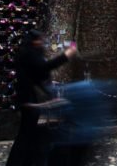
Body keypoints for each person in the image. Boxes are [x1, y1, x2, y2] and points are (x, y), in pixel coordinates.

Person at [5, 30, 77, 166]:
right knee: (28, 135)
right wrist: (66, 55)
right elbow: (44, 68)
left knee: (31, 134)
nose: (42, 42)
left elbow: (36, 74)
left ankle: (27, 161)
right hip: (31, 103)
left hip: (31, 101)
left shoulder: (28, 53)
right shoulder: (29, 54)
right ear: (34, 41)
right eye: (39, 39)